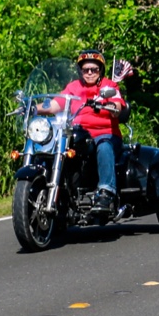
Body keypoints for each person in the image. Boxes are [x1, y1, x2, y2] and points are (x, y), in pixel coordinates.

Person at [59, 49, 127, 216]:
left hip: (105, 134)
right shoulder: (73, 87)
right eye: (85, 70)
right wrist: (36, 108)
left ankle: (106, 192)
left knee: (103, 145)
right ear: (80, 71)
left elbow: (117, 105)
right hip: (79, 134)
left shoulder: (109, 86)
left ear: (100, 70)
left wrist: (111, 106)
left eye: (94, 69)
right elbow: (56, 103)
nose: (89, 73)